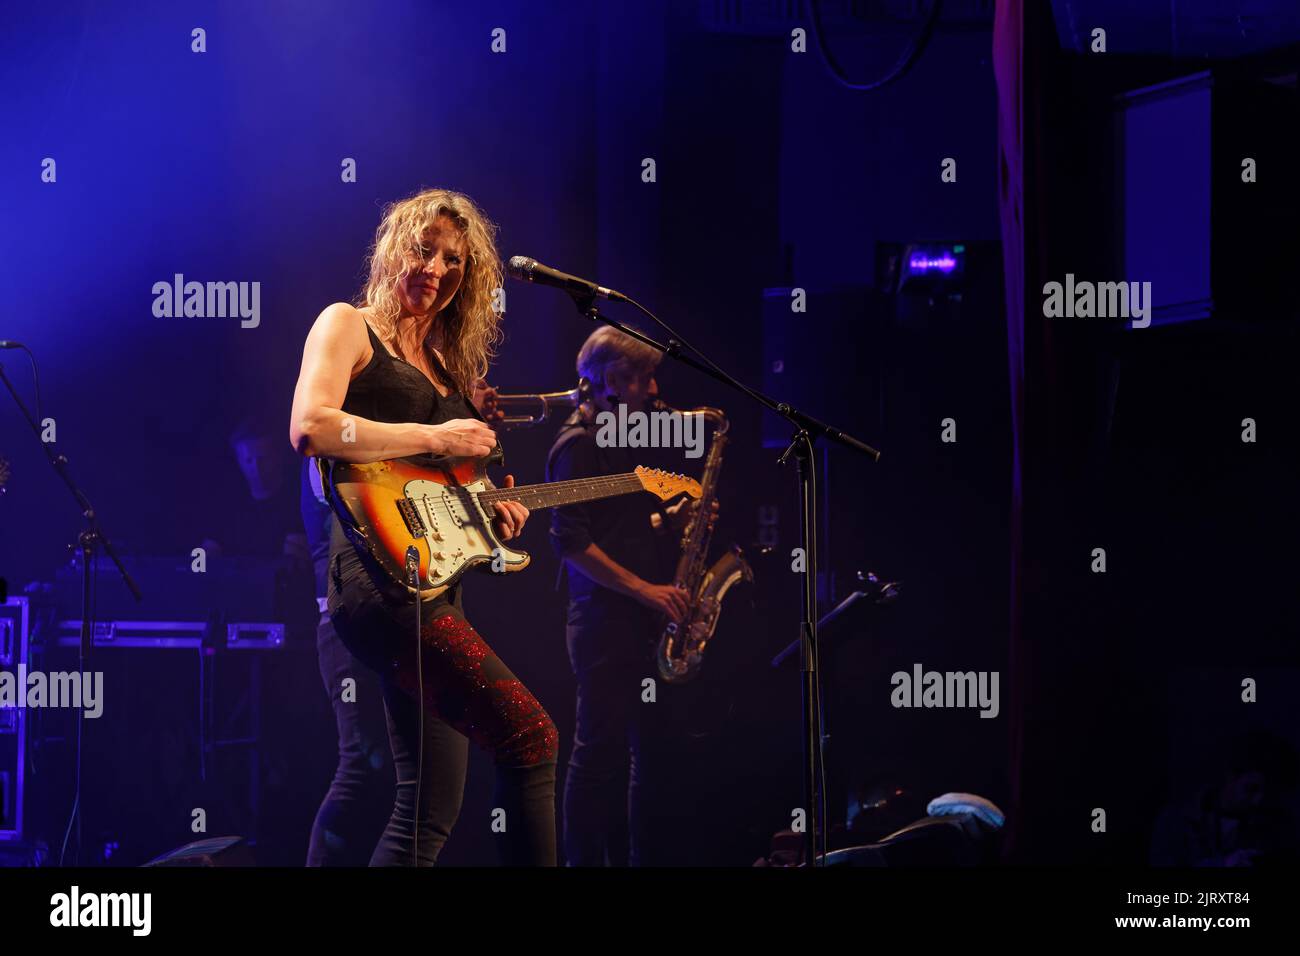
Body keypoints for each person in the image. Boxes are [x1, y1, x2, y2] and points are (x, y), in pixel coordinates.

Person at [289, 187, 558, 866]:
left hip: (438, 582)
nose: (435, 269)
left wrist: (494, 503)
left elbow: (447, 484)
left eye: (454, 262)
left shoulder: (446, 363)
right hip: (376, 577)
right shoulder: (347, 325)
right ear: (391, 247)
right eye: (423, 248)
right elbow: (312, 427)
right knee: (529, 739)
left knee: (427, 808)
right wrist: (433, 439)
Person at [546, 325, 707, 865]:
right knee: (597, 758)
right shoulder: (577, 443)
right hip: (604, 625)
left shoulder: (626, 435)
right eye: (645, 377)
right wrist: (647, 592)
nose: (654, 389)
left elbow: (621, 524)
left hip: (642, 617)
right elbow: (571, 545)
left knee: (652, 755)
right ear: (614, 379)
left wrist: (674, 518)